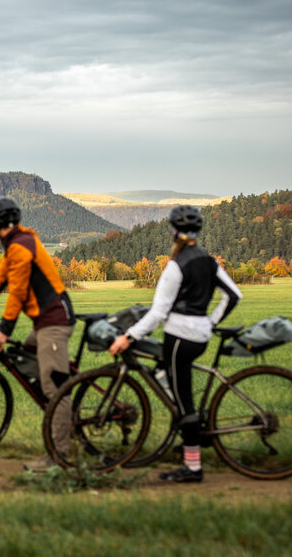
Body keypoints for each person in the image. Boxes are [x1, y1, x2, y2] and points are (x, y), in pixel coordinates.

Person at [109, 205, 242, 483]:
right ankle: (188, 434)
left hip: (180, 338)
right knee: (170, 378)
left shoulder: (175, 265)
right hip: (200, 337)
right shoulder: (209, 260)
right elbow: (233, 295)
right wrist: (211, 322)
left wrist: (128, 336)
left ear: (173, 231)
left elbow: (157, 313)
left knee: (184, 402)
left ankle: (192, 467)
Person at [0, 196, 75, 471]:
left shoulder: (21, 248)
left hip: (54, 323)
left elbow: (18, 291)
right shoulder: (16, 246)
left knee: (54, 387)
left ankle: (59, 458)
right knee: (24, 359)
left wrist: (3, 330)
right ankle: (63, 410)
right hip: (44, 323)